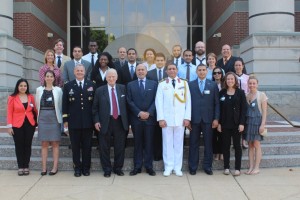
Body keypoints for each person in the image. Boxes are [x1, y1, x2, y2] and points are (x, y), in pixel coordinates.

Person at [155, 64, 191, 177]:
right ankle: (168, 167)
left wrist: (187, 118)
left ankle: (177, 168)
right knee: (167, 144)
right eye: (169, 69)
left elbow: (188, 102)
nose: (171, 70)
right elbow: (158, 102)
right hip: (167, 119)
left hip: (180, 119)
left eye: (173, 69)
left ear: (177, 70)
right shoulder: (162, 84)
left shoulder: (184, 83)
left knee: (179, 144)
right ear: (166, 71)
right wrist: (160, 119)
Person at [92, 68, 128, 178]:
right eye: (109, 77)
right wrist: (96, 121)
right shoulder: (99, 90)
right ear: (106, 78)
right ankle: (107, 169)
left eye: (113, 76)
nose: (111, 78)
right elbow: (95, 108)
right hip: (105, 122)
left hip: (120, 121)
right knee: (104, 147)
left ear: (116, 78)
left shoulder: (123, 89)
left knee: (120, 146)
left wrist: (129, 123)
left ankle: (118, 168)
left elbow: (128, 107)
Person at [62, 64, 95, 177]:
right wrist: (65, 119)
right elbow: (65, 103)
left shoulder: (91, 84)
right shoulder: (68, 86)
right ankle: (77, 168)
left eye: (81, 70)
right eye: (78, 71)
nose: (80, 72)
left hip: (88, 122)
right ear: (74, 72)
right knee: (75, 147)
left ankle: (86, 168)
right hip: (73, 122)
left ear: (84, 72)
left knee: (87, 146)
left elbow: (94, 105)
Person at [188, 64, 220, 175]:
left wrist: (216, 119)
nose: (202, 72)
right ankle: (192, 167)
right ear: (196, 72)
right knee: (193, 144)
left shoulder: (213, 85)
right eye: (200, 70)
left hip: (208, 120)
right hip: (194, 120)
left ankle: (208, 166)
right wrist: (188, 119)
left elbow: (217, 104)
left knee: (208, 144)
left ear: (207, 72)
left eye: (203, 70)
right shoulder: (190, 85)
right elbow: (187, 103)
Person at [127, 64, 158, 176]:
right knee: (138, 143)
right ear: (136, 72)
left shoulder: (154, 84)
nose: (140, 71)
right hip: (136, 119)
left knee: (149, 143)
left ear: (146, 71)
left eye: (142, 70)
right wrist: (139, 113)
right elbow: (129, 101)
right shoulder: (130, 85)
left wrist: (148, 113)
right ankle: (137, 166)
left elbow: (156, 100)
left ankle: (149, 167)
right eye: (138, 70)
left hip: (150, 119)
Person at [217, 72, 247, 176]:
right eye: (228, 79)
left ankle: (237, 168)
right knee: (225, 146)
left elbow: (244, 110)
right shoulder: (222, 93)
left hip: (237, 124)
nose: (230, 81)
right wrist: (219, 123)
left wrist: (242, 123)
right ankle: (226, 167)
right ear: (225, 81)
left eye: (232, 79)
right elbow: (219, 109)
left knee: (237, 146)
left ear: (235, 80)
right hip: (225, 124)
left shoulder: (240, 93)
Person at [7, 78, 37, 176]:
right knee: (19, 145)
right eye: (21, 86)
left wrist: (38, 122)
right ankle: (20, 166)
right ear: (17, 87)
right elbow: (9, 112)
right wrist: (9, 126)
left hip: (29, 124)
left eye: (25, 86)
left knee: (27, 145)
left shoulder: (30, 97)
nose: (23, 87)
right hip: (17, 124)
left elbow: (35, 110)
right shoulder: (12, 97)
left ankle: (26, 166)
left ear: (27, 87)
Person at [36, 70, 63, 176]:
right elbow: (37, 104)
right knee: (44, 143)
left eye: (51, 76)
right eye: (47, 76)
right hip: (43, 117)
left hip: (54, 117)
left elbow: (60, 105)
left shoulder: (58, 90)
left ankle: (54, 167)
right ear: (44, 78)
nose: (49, 78)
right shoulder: (39, 89)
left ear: (54, 78)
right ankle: (44, 168)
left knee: (55, 143)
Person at [146, 52, 168, 161]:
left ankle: (166, 154)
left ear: (164, 61)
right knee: (155, 132)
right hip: (153, 106)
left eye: (161, 60)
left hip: (167, 107)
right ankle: (157, 155)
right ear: (155, 62)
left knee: (166, 132)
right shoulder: (149, 73)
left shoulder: (169, 73)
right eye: (157, 60)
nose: (159, 62)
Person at [245, 76, 268, 175]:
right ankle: (251, 167)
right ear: (248, 84)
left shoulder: (261, 95)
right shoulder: (247, 95)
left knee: (256, 144)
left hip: (257, 122)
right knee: (250, 145)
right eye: (250, 83)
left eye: (254, 83)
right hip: (249, 122)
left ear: (257, 84)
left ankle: (257, 167)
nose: (252, 85)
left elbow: (264, 111)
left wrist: (262, 124)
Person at [234, 58, 249, 149]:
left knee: (244, 120)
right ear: (234, 66)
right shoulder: (232, 76)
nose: (238, 67)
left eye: (240, 65)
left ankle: (244, 140)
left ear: (242, 66)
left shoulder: (247, 77)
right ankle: (236, 140)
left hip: (245, 100)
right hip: (234, 100)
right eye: (236, 65)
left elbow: (249, 89)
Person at [212, 67, 225, 160]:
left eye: (219, 73)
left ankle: (222, 152)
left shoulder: (225, 85)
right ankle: (216, 152)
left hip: (224, 112)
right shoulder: (210, 84)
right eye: (215, 73)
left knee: (222, 134)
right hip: (213, 112)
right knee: (214, 134)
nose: (217, 74)